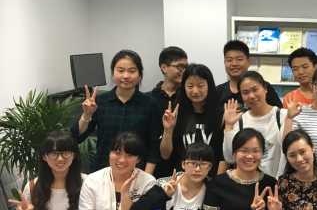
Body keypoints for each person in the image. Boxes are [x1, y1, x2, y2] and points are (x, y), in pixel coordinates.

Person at [72, 49, 161, 173]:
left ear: (140, 75)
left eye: (132, 71)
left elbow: (154, 147)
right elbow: (76, 136)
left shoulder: (150, 104)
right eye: (120, 70)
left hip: (136, 172)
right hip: (103, 170)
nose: (126, 76)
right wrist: (86, 115)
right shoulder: (100, 101)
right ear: (113, 74)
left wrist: (146, 178)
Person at [204, 129, 280, 210]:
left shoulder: (270, 184)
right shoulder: (217, 184)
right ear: (234, 154)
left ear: (262, 154)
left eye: (255, 151)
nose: (249, 156)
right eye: (244, 151)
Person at [159, 63, 226, 176]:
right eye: (190, 86)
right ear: (183, 87)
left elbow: (223, 157)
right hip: (182, 178)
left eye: (200, 86)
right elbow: (165, 155)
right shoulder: (175, 113)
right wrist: (168, 130)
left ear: (209, 86)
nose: (195, 91)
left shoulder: (221, 114)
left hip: (211, 179)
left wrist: (218, 182)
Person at [222, 71, 288, 178]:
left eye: (255, 89)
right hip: (247, 183)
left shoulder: (283, 116)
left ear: (265, 89)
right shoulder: (239, 120)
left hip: (278, 182)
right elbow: (230, 158)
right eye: (245, 92)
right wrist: (229, 126)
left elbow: (289, 151)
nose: (251, 96)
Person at [147, 46, 188, 179]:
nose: (183, 71)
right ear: (164, 68)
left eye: (185, 67)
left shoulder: (189, 97)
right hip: (154, 165)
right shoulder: (149, 99)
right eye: (179, 66)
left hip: (185, 164)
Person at [216, 40, 282, 108]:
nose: (234, 64)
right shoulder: (217, 92)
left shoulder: (263, 87)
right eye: (229, 60)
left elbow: (278, 112)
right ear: (224, 62)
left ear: (248, 62)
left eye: (239, 59)